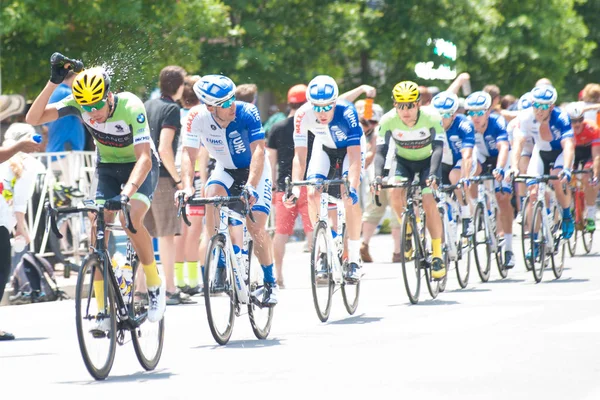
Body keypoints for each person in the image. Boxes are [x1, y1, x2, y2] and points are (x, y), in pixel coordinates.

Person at [26, 57, 166, 331]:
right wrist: (53, 82)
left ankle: (154, 284)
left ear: (109, 95)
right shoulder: (79, 105)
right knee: (96, 225)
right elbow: (33, 118)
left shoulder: (130, 106)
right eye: (86, 108)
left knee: (130, 219)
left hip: (140, 166)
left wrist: (127, 193)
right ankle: (102, 309)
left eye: (97, 105)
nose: (92, 113)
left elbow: (144, 160)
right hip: (107, 167)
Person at [179, 74, 278, 306]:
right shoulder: (196, 117)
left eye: (231, 98)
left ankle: (270, 283)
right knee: (210, 197)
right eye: (224, 103)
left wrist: (251, 185)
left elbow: (258, 152)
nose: (231, 105)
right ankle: (222, 259)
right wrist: (186, 186)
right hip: (225, 169)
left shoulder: (247, 112)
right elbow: (188, 153)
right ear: (209, 107)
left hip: (255, 170)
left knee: (256, 228)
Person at [286, 75, 365, 282]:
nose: (321, 112)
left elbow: (355, 155)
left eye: (326, 107)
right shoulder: (302, 115)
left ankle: (354, 258)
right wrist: (295, 188)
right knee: (311, 191)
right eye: (317, 107)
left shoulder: (347, 112)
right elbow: (300, 156)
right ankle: (323, 248)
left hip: (349, 151)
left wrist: (353, 187)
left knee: (348, 196)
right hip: (324, 148)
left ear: (335, 102)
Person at [374, 81, 446, 279]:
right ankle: (406, 228)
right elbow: (380, 151)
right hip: (404, 161)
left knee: (429, 200)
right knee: (394, 192)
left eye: (410, 105)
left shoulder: (432, 117)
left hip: (427, 162)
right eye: (400, 105)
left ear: (418, 104)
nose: (405, 111)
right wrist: (378, 177)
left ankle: (438, 253)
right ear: (395, 105)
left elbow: (439, 148)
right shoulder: (388, 120)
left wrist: (432, 174)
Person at [144, 65, 190, 305]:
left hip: (140, 176)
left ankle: (142, 289)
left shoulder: (147, 105)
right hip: (162, 178)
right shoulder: (172, 109)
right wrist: (179, 180)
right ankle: (170, 288)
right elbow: (164, 148)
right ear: (179, 86)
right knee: (166, 235)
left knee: (143, 234)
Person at [511, 84, 575, 248]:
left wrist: (566, 168)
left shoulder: (561, 118)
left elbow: (568, 145)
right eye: (535, 105)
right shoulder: (525, 117)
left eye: (543, 106)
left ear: (551, 107)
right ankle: (534, 242)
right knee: (533, 195)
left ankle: (567, 215)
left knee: (556, 180)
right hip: (540, 153)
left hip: (559, 154)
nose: (538, 110)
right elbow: (518, 143)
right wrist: (514, 167)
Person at [267, 84, 312, 288]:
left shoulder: (277, 127)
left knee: (281, 233)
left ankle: (277, 274)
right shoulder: (311, 125)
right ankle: (321, 267)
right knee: (313, 229)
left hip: (285, 187)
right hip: (308, 183)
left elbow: (271, 161)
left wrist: (273, 187)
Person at [0, 131, 42, 341]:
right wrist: (21, 228)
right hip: (1, 222)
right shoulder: (29, 164)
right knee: (1, 273)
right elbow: (20, 201)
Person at [464, 91, 514, 268]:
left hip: (501, 157)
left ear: (487, 112)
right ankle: (475, 207)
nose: (475, 117)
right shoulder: (468, 125)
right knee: (471, 171)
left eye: (479, 113)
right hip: (482, 158)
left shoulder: (497, 122)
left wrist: (501, 168)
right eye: (471, 112)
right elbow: (468, 153)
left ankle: (508, 247)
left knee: (502, 198)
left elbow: (503, 148)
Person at [174, 75, 204, 295]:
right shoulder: (201, 117)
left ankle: (177, 278)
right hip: (195, 174)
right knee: (194, 230)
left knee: (178, 230)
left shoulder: (174, 115)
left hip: (174, 174)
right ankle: (193, 280)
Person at [432, 91, 476, 234]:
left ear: (453, 115)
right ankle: (448, 222)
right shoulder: (430, 124)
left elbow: (467, 155)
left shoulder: (464, 124)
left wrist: (465, 177)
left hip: (461, 161)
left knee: (455, 177)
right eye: (438, 114)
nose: (441, 119)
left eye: (445, 115)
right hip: (442, 162)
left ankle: (466, 216)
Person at [565, 102, 600, 231]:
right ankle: (571, 208)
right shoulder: (564, 130)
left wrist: (595, 175)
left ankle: (590, 216)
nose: (577, 124)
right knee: (567, 179)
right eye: (573, 121)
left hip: (589, 152)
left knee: (587, 177)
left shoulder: (592, 129)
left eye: (580, 120)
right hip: (573, 153)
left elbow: (596, 155)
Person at [45, 70, 85, 181]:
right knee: (72, 194)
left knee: (58, 193)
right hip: (68, 152)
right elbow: (87, 116)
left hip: (56, 152)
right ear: (76, 76)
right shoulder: (68, 94)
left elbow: (45, 126)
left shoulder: (55, 93)